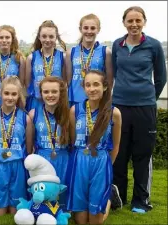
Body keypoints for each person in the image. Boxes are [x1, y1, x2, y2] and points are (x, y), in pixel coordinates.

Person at [111, 6, 167, 213]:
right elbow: (115, 73)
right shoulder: (117, 45)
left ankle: (141, 201)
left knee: (142, 155)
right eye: (130, 21)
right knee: (119, 153)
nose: (134, 24)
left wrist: (148, 96)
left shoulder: (153, 45)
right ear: (124, 22)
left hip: (145, 107)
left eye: (138, 20)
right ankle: (119, 198)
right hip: (120, 107)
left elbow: (161, 77)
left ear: (144, 21)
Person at [66, 70, 122, 224]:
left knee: (95, 221)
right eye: (88, 85)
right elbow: (73, 139)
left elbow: (116, 145)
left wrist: (106, 166)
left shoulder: (114, 113)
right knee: (81, 220)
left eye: (96, 84)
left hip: (101, 161)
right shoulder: (75, 110)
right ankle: (106, 196)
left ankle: (108, 199)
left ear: (105, 87)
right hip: (80, 160)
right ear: (84, 88)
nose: (92, 89)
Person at [0, 76, 34, 215]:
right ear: (0, 93)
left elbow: (29, 146)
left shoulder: (25, 118)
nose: (10, 97)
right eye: (6, 93)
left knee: (16, 211)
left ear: (18, 95)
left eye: (14, 94)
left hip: (18, 164)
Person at [28, 76, 70, 208]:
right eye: (46, 92)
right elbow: (30, 144)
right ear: (41, 94)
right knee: (42, 196)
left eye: (54, 92)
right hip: (42, 159)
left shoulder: (69, 114)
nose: (50, 95)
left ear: (60, 93)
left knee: (61, 197)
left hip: (63, 158)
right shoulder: (33, 114)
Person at [66, 14, 113, 107]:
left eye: (93, 28)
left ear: (98, 29)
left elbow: (110, 80)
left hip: (98, 100)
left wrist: (106, 99)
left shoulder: (106, 51)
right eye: (86, 28)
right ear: (80, 29)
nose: (89, 31)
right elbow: (68, 80)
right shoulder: (71, 52)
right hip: (75, 99)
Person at [26, 20, 67, 111]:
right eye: (44, 36)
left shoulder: (62, 57)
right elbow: (27, 83)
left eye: (51, 36)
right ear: (39, 37)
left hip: (56, 102)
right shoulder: (31, 58)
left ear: (56, 38)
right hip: (37, 102)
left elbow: (65, 82)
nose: (47, 40)